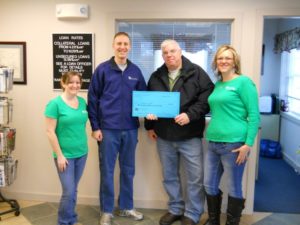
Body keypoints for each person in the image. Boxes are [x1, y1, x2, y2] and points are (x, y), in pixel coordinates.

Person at [145, 39, 214, 225]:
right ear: (162, 55)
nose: (170, 55)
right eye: (166, 52)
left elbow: (207, 98)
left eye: (173, 51)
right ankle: (175, 209)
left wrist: (190, 115)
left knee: (195, 178)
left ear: (180, 51)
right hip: (164, 136)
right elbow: (149, 102)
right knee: (169, 176)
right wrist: (150, 125)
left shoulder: (196, 72)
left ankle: (192, 213)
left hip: (190, 135)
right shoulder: (156, 76)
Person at [87, 32, 147, 225]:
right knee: (107, 170)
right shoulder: (103, 70)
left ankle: (126, 207)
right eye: (119, 43)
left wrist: (150, 111)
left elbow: (144, 98)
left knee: (128, 169)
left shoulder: (136, 71)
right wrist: (95, 127)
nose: (122, 47)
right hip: (107, 130)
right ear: (113, 45)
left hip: (130, 129)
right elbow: (93, 100)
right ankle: (106, 210)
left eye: (126, 44)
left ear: (130, 47)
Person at [204, 45, 260, 225]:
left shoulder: (244, 82)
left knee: (234, 187)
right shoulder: (218, 84)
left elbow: (254, 115)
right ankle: (213, 221)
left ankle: (232, 222)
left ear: (235, 61)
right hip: (213, 141)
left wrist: (248, 144)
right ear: (216, 62)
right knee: (209, 185)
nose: (223, 61)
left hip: (235, 145)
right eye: (220, 58)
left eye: (228, 58)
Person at [45, 71, 88, 225]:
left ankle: (72, 218)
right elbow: (50, 132)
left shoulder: (83, 102)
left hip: (82, 153)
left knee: (73, 189)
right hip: (65, 156)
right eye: (71, 82)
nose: (75, 85)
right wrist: (60, 155)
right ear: (63, 83)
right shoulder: (55, 104)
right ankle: (63, 221)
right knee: (68, 191)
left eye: (78, 82)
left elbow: (82, 125)